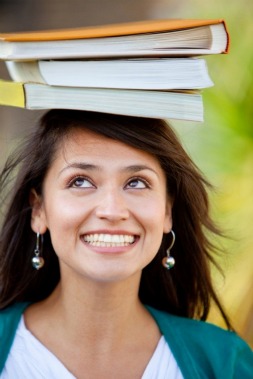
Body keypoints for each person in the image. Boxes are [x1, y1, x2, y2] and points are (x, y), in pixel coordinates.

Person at [0, 109, 252, 378]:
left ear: (167, 211)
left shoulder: (225, 362)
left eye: (137, 183)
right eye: (81, 181)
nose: (111, 210)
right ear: (39, 209)